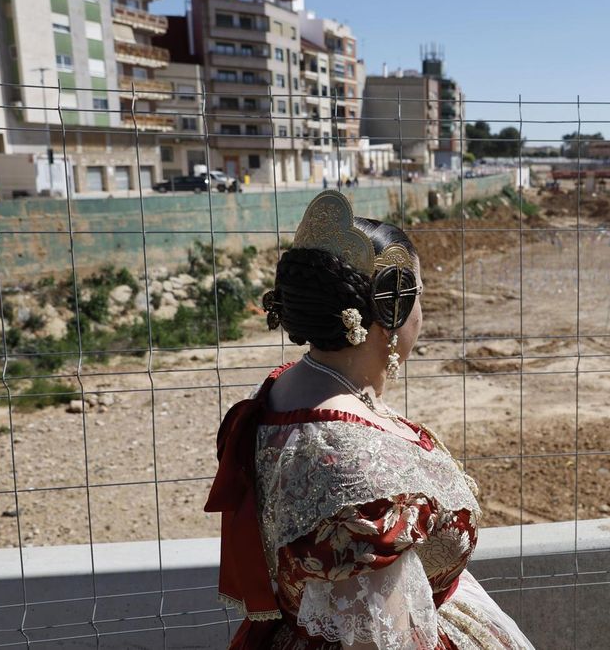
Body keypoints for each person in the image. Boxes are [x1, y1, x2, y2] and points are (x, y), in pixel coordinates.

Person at [206, 190, 533, 650]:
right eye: (419, 296)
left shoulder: (276, 394)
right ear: (392, 308)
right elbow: (378, 636)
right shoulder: (360, 470)